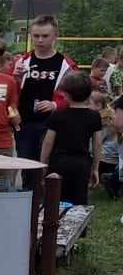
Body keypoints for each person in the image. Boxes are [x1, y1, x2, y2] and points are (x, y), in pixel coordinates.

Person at [14, 15, 77, 183]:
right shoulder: (22, 61)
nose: (40, 40)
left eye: (45, 36)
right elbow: (11, 92)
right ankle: (29, 200)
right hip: (25, 122)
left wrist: (55, 104)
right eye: (36, 36)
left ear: (55, 36)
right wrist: (16, 80)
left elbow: (76, 94)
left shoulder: (66, 64)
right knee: (26, 163)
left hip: (52, 123)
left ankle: (48, 201)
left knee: (49, 164)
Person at [40, 72, 104, 206]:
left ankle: (54, 224)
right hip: (82, 163)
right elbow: (98, 144)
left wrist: (43, 164)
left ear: (67, 95)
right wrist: (96, 168)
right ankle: (78, 225)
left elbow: (48, 142)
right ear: (89, 94)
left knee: (55, 198)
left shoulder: (57, 115)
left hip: (58, 162)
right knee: (79, 200)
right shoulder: (94, 116)